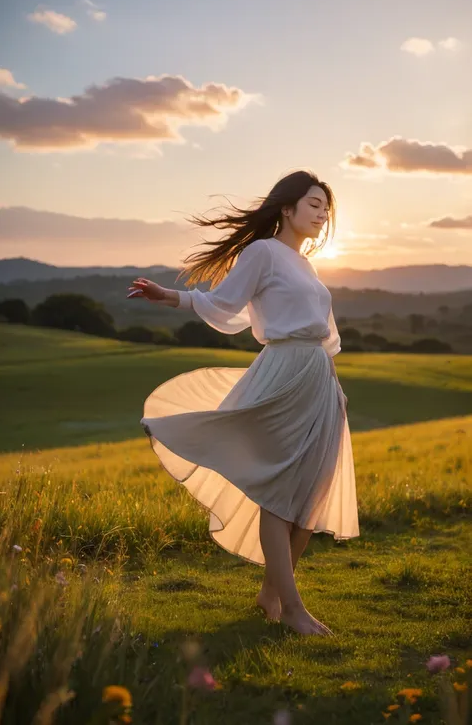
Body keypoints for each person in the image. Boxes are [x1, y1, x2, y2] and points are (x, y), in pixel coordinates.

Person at [127, 169, 359, 637]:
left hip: (318, 378)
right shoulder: (263, 252)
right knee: (278, 491)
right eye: (313, 204)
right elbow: (223, 304)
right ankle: (292, 608)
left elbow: (325, 334)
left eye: (325, 208)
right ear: (287, 208)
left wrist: (335, 386)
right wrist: (168, 296)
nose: (321, 214)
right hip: (283, 373)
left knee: (310, 494)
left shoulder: (308, 266)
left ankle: (271, 595)